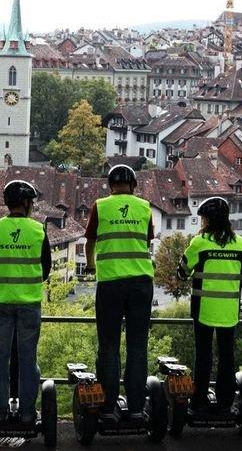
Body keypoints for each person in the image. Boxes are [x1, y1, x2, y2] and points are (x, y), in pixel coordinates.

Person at [84, 164, 154, 421]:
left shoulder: (100, 206)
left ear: (110, 185)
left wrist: (91, 266)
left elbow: (90, 241)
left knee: (109, 346)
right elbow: (147, 241)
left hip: (111, 283)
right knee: (137, 346)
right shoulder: (145, 207)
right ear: (134, 185)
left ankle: (107, 407)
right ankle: (136, 408)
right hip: (141, 282)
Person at [0, 180, 52, 424]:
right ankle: (27, 414)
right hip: (29, 303)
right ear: (25, 203)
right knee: (28, 359)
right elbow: (46, 269)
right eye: (31, 201)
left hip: (1, 302)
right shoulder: (38, 230)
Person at [177, 197, 242, 414]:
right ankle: (225, 401)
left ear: (208, 220)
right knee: (227, 355)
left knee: (204, 355)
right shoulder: (241, 244)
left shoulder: (199, 243)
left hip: (203, 310)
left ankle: (199, 400)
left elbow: (182, 272)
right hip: (229, 310)